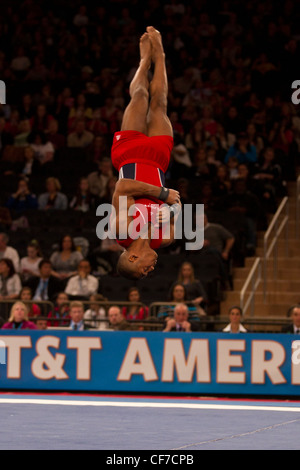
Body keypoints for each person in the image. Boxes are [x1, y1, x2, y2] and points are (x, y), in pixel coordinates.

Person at [110, 27, 181, 280]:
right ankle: (160, 54)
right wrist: (172, 210)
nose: (152, 268)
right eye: (149, 272)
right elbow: (176, 204)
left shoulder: (121, 231)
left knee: (139, 96)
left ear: (132, 257)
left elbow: (123, 186)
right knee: (160, 103)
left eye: (145, 269)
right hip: (158, 160)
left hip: (129, 155)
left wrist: (161, 194)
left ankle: (143, 61)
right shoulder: (166, 239)